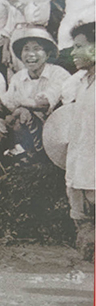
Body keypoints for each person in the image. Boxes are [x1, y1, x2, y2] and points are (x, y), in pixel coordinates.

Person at [0, 27, 70, 161]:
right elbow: (7, 103)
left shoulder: (58, 73)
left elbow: (45, 103)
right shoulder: (18, 77)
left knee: (23, 112)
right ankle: (25, 152)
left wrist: (21, 103)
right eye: (26, 49)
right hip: (29, 128)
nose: (31, 54)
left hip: (56, 131)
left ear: (47, 53)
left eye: (37, 49)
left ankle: (38, 155)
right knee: (8, 118)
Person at [59, 22, 94, 261]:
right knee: (85, 227)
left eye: (79, 46)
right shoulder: (81, 82)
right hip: (80, 165)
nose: (73, 53)